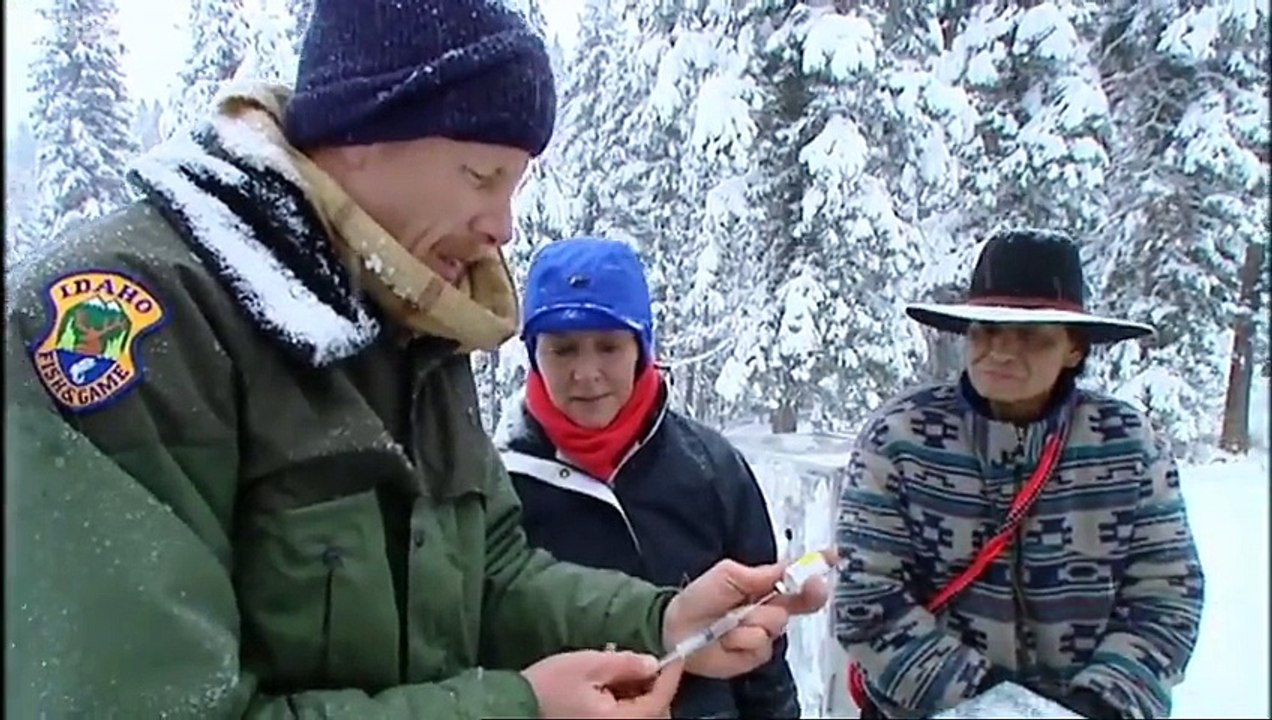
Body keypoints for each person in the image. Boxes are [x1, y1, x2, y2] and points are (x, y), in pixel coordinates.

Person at [3, 2, 830, 717]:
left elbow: (489, 577)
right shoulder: (135, 322)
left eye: (516, 186)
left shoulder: (404, 316)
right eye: (481, 176)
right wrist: (515, 709)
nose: (502, 225)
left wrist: (665, 620)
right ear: (362, 137)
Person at [833, 229, 1205, 720]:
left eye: (1031, 336)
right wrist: (991, 706)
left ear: (1075, 348)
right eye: (985, 331)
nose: (1000, 352)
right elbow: (868, 599)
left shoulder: (1129, 443)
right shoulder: (900, 437)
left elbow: (1166, 594)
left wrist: (1097, 705)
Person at [496, 237, 802, 719]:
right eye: (563, 350)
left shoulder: (711, 470)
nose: (587, 372)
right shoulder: (499, 482)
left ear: (642, 348)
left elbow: (762, 641)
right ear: (533, 355)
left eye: (609, 347)